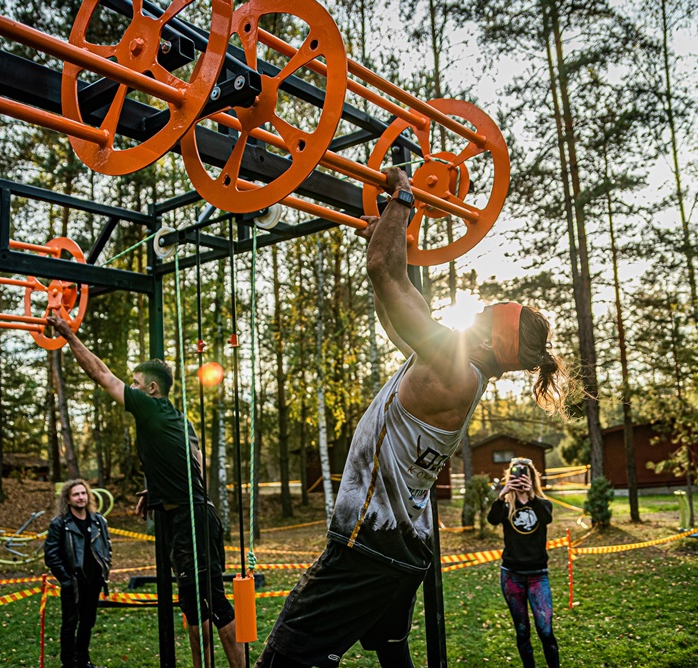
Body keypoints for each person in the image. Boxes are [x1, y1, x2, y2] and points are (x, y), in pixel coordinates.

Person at [255, 167, 567, 668]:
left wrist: (403, 197)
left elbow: (385, 270)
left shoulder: (452, 365)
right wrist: (382, 232)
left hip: (368, 548)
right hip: (401, 549)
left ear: (489, 340)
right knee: (393, 654)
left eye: (486, 315)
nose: (479, 311)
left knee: (284, 660)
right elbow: (391, 303)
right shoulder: (452, 365)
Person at [47, 315, 245, 668]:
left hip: (191, 518)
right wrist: (153, 489)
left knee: (210, 602)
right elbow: (195, 465)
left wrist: (68, 334)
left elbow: (101, 375)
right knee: (193, 602)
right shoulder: (177, 419)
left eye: (136, 383)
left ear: (152, 389)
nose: (131, 387)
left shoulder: (149, 407)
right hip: (191, 513)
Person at [487, 458, 560, 668]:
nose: (520, 480)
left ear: (532, 478)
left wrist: (531, 496)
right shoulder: (506, 506)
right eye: (516, 475)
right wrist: (501, 496)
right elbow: (492, 519)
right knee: (522, 630)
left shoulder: (542, 503)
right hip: (512, 576)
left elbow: (546, 519)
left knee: (545, 629)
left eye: (524, 476)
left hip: (538, 575)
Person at [45, 478, 112, 668]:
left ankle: (83, 661)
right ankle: (69, 663)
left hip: (94, 581)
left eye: (83, 493)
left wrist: (104, 572)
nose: (81, 497)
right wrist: (66, 580)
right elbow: (51, 555)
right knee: (70, 625)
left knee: (87, 624)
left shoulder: (98, 520)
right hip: (73, 583)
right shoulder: (60, 524)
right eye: (76, 494)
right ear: (67, 499)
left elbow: (107, 547)